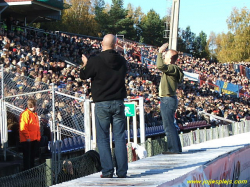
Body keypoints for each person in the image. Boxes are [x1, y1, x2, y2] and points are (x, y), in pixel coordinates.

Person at [80, 34, 128, 178]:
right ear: (115, 44)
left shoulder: (95, 60)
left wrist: (85, 64)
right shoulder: (122, 61)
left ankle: (107, 171)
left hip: (102, 104)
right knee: (119, 138)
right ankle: (122, 171)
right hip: (118, 103)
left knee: (103, 138)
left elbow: (84, 75)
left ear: (102, 44)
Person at [156, 43, 184, 154]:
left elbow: (160, 66)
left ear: (171, 58)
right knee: (170, 125)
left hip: (167, 99)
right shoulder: (172, 69)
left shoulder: (172, 68)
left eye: (166, 54)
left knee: (168, 126)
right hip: (169, 99)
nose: (164, 55)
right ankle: (176, 148)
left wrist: (159, 52)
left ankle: (174, 149)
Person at [19, 98, 41, 170]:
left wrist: (38, 137)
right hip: (27, 140)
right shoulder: (25, 114)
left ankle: (31, 169)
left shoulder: (34, 114)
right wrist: (27, 137)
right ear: (34, 106)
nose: (37, 107)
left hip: (34, 139)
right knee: (27, 157)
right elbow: (23, 127)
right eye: (36, 105)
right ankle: (27, 170)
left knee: (32, 156)